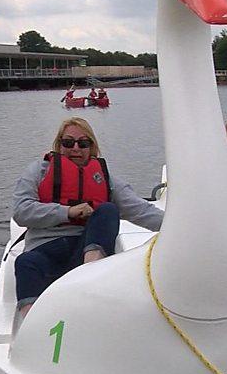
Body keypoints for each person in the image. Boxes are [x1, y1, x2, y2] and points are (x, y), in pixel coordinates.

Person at [12, 117, 164, 317]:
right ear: (59, 145)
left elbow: (141, 210)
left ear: (92, 148)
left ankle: (87, 277)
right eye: (68, 142)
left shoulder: (106, 179)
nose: (75, 148)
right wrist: (67, 212)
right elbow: (21, 211)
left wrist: (181, 226)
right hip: (45, 250)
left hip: (84, 251)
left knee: (108, 210)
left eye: (83, 143)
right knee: (25, 262)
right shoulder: (38, 172)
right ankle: (32, 324)